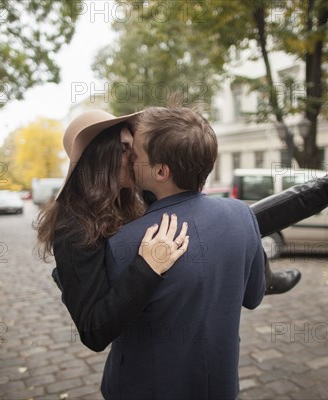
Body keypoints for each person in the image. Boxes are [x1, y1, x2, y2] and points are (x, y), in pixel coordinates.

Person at [102, 106, 266, 398]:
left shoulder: (126, 242)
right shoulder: (243, 215)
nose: (129, 159)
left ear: (161, 171)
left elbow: (106, 325)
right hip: (219, 387)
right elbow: (253, 297)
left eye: (135, 154)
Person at [34, 109, 190, 352]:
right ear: (100, 157)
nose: (135, 155)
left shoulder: (134, 200)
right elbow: (93, 331)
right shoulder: (73, 227)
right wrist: (147, 267)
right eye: (125, 148)